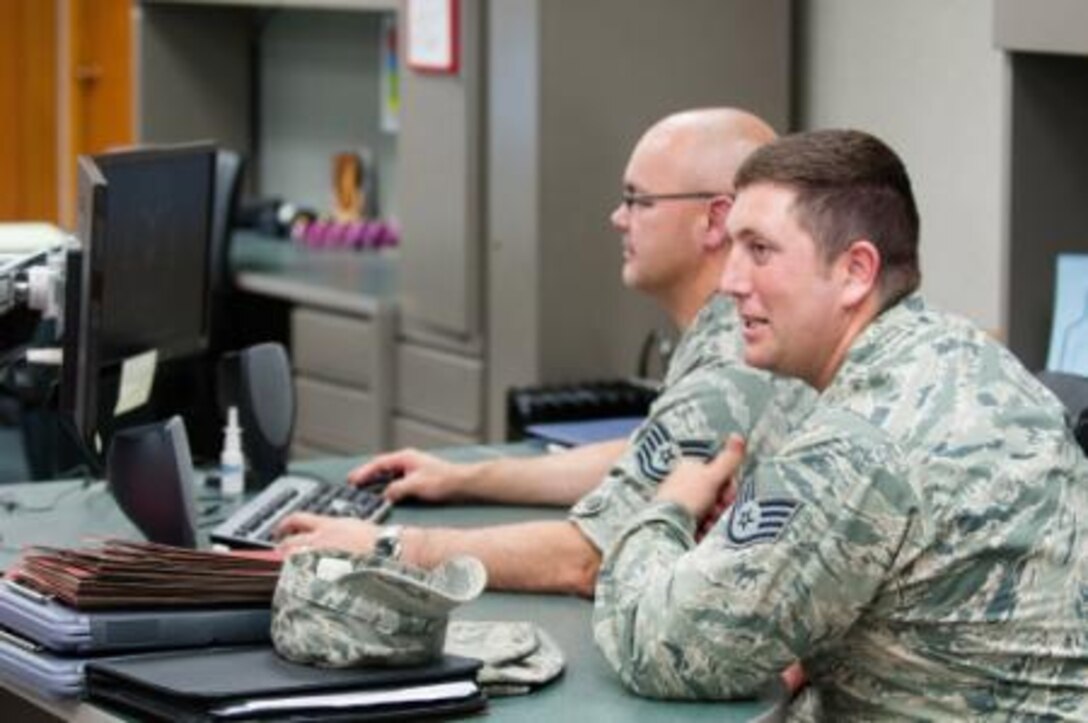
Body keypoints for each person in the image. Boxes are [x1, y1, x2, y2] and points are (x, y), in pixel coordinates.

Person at [593, 129, 1088, 718]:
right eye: (731, 248)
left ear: (855, 271)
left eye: (759, 249)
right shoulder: (968, 359)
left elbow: (655, 645)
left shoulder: (857, 441)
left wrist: (667, 508)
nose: (729, 281)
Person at [276, 108, 812, 597]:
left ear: (715, 220)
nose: (618, 219)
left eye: (637, 201)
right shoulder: (729, 333)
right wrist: (464, 478)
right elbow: (649, 455)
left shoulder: (734, 363)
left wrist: (387, 547)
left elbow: (584, 559)